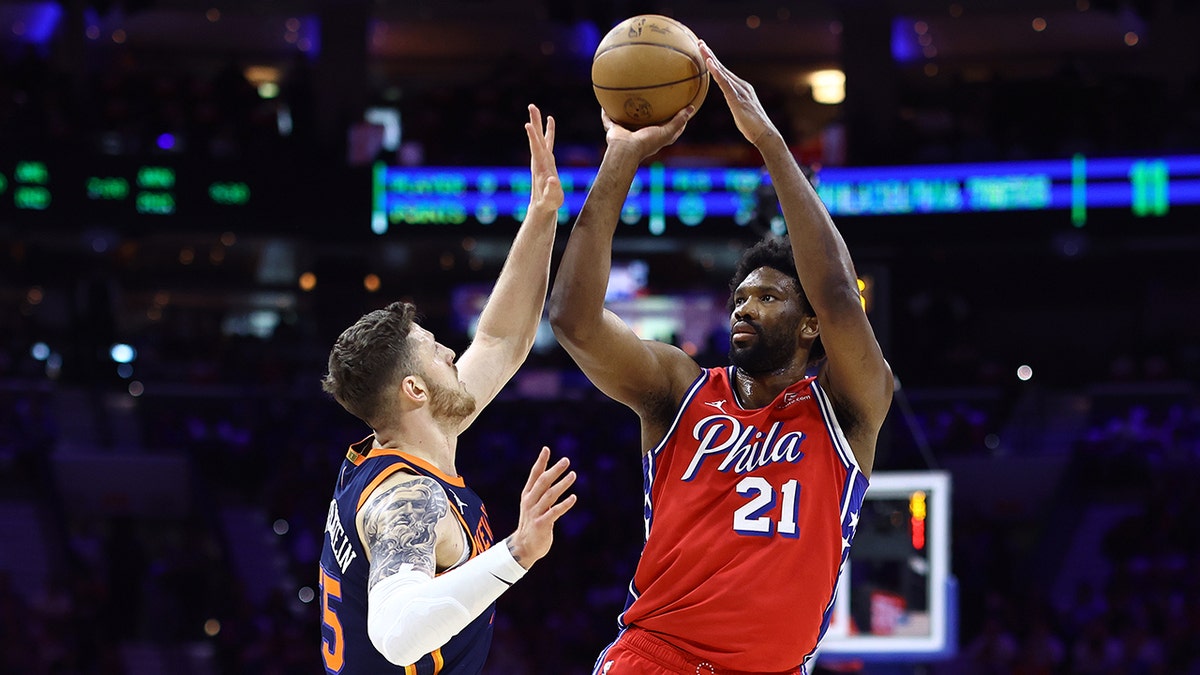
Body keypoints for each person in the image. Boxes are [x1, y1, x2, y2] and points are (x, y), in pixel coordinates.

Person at [548, 42, 894, 675]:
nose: (743, 307)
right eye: (739, 297)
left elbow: (841, 295)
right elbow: (573, 319)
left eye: (767, 297)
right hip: (659, 657)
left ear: (811, 323)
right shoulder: (679, 389)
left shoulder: (847, 409)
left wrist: (770, 144)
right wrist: (620, 159)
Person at [318, 104, 577, 674]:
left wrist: (542, 214)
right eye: (438, 351)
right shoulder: (407, 500)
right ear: (414, 389)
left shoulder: (404, 444)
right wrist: (519, 551)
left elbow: (503, 339)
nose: (454, 355)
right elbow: (399, 635)